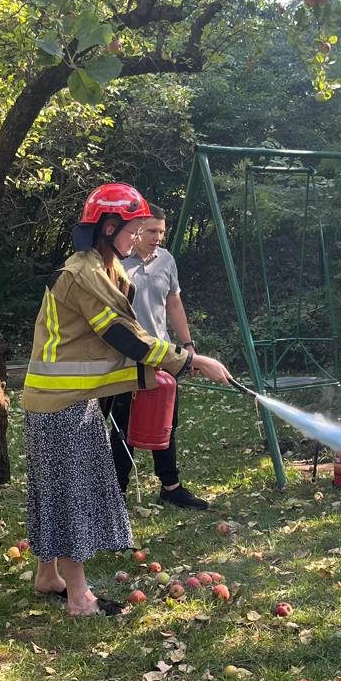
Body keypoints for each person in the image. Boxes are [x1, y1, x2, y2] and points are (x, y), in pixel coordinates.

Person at [22, 182, 231, 616]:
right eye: (133, 229)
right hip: (61, 404)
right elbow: (125, 337)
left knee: (55, 490)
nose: (138, 238)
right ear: (109, 225)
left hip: (67, 400)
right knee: (72, 493)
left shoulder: (103, 267)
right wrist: (191, 360)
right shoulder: (85, 275)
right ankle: (80, 597)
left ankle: (48, 575)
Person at [109, 208, 209, 509]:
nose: (158, 238)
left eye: (162, 232)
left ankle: (170, 487)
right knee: (123, 426)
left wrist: (188, 345)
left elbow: (174, 302)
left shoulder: (165, 259)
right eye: (152, 231)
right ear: (137, 230)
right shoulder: (114, 263)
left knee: (166, 421)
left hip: (163, 355)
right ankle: (116, 494)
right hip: (125, 356)